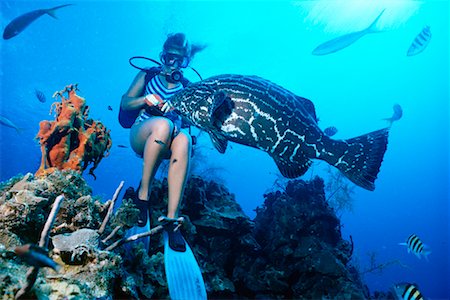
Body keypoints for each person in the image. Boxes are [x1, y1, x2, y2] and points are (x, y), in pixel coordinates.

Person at [120, 33, 204, 249]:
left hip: (168, 142)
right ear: (162, 57)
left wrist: (179, 108)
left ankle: (173, 219)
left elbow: (192, 123)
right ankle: (143, 197)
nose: (173, 64)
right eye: (169, 58)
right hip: (141, 134)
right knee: (162, 125)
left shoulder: (187, 87)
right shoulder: (147, 75)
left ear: (186, 62)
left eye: (180, 60)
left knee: (184, 139)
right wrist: (145, 100)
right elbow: (126, 103)